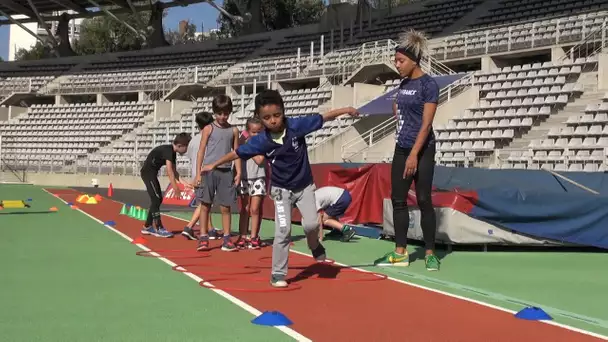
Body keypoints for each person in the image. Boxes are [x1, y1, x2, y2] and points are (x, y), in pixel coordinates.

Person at [201, 89, 359, 288]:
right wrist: (213, 165)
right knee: (283, 230)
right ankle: (278, 272)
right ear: (260, 118)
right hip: (281, 190)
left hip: (305, 187)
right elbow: (237, 154)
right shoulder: (260, 141)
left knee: (311, 225)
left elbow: (323, 117)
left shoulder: (296, 126)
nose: (273, 121)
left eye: (277, 115)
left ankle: (314, 245)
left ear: (283, 112)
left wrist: (347, 109)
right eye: (267, 118)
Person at [373, 29, 440, 271]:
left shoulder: (429, 85)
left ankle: (430, 252)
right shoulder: (403, 83)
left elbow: (426, 123)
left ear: (414, 60)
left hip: (422, 150)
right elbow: (398, 106)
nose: (397, 65)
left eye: (400, 61)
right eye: (395, 61)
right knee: (398, 200)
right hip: (402, 148)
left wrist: (414, 153)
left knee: (423, 199)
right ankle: (400, 252)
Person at [194, 95, 242, 252]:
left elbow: (236, 153)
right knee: (205, 205)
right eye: (219, 113)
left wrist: (238, 171)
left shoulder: (233, 130)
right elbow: (201, 151)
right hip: (208, 171)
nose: (222, 117)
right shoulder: (208, 129)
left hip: (226, 172)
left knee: (225, 207)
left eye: (226, 113)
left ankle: (227, 239)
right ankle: (203, 237)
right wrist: (198, 173)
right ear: (214, 112)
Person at [140, 133, 192, 238]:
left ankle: (147, 226)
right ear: (180, 145)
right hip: (148, 173)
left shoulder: (172, 153)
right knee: (156, 199)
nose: (187, 150)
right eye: (187, 147)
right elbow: (169, 172)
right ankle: (158, 227)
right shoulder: (168, 150)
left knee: (158, 200)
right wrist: (176, 188)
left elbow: (175, 172)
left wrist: (186, 184)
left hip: (152, 174)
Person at [181, 111, 218, 240]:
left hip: (195, 173)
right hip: (206, 173)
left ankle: (211, 229)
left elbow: (191, 157)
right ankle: (189, 227)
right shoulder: (210, 138)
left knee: (205, 203)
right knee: (204, 204)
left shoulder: (192, 141)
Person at [236, 117, 267, 249]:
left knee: (255, 209)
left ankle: (254, 236)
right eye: (253, 132)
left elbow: (260, 160)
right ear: (248, 131)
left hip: (258, 177)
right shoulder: (242, 142)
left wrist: (249, 148)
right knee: (245, 209)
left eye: (259, 132)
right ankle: (243, 235)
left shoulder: (263, 143)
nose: (256, 135)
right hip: (244, 177)